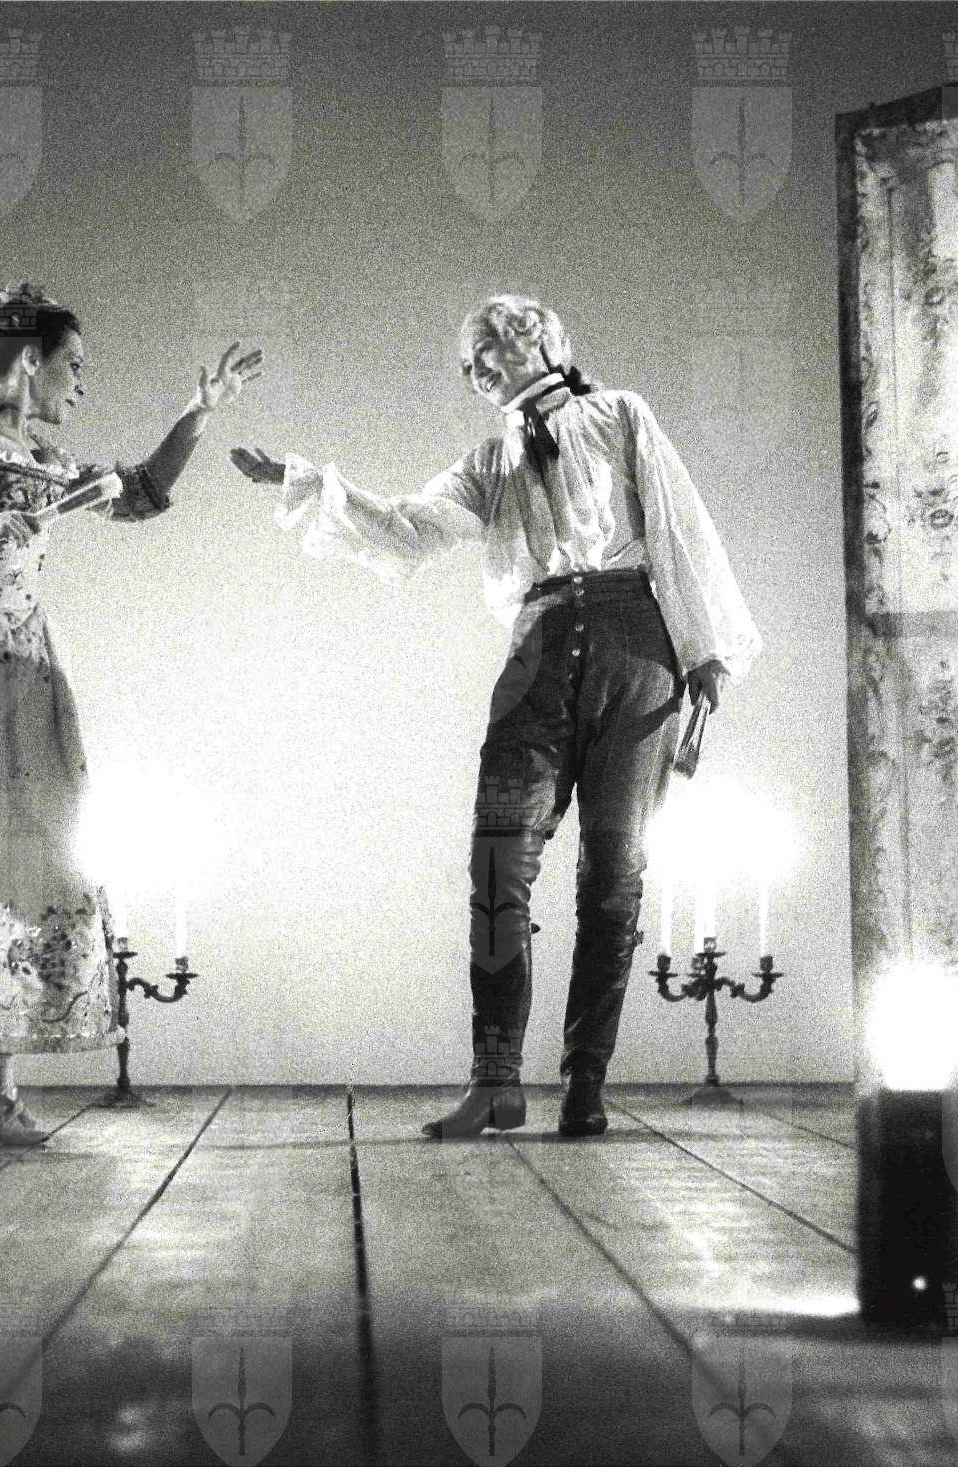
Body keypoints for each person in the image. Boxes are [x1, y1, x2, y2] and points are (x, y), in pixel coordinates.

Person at [230, 293, 758, 1138]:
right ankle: (496, 1080)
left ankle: (585, 1082)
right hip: (538, 650)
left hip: (635, 645)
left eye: (486, 349)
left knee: (614, 875)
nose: (473, 368)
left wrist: (707, 651)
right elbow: (408, 525)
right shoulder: (489, 462)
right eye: (466, 361)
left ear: (537, 340)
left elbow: (678, 522)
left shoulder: (620, 414)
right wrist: (302, 482)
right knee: (497, 865)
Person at [0, 284, 261, 1146]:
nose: (82, 385)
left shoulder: (39, 457)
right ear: (32, 359)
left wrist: (199, 412)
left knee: (29, 855)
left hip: (24, 667)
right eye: (74, 365)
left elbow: (137, 492)